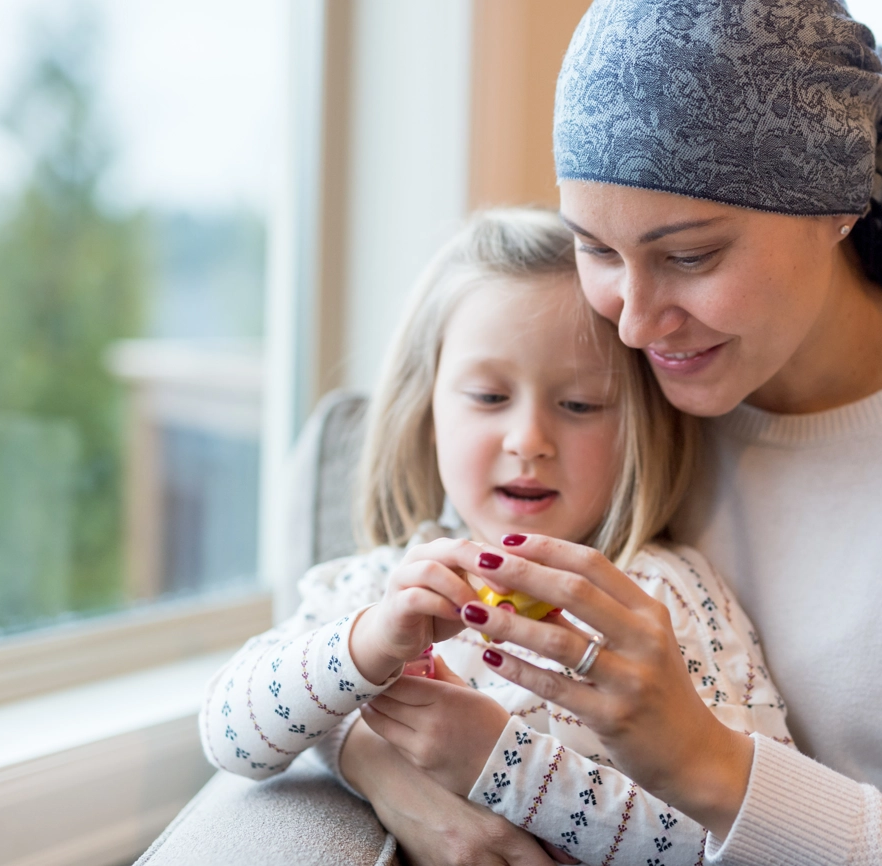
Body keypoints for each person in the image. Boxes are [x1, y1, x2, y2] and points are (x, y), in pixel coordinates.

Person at [343, 1, 882, 865]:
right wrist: (377, 764)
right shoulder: (611, 396)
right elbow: (340, 629)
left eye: (690, 256)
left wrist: (712, 767)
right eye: (598, 250)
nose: (635, 322)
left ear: (836, 205)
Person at [200, 209, 795, 864]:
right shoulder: (383, 585)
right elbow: (229, 732)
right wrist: (366, 646)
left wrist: (501, 763)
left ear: (639, 429)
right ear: (427, 414)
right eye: (487, 397)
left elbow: (756, 838)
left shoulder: (663, 601)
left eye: (579, 405)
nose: (529, 441)